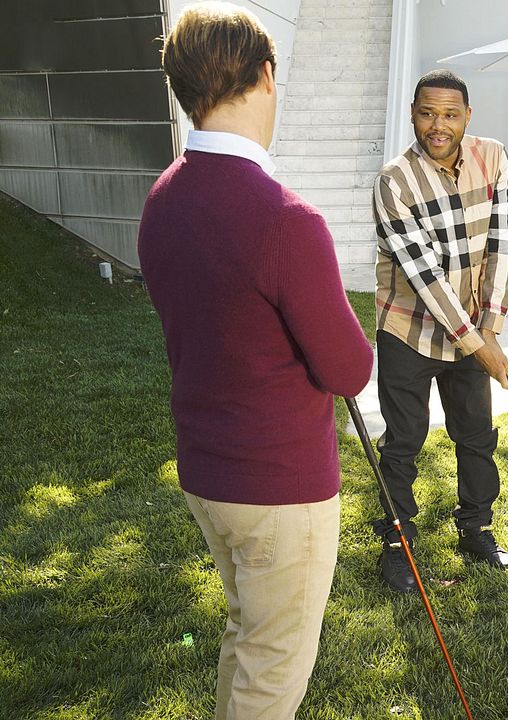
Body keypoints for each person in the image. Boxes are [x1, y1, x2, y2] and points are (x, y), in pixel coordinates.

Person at [137, 3, 374, 718]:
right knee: (272, 675)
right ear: (267, 74)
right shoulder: (285, 219)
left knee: (249, 638)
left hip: (207, 474)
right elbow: (349, 370)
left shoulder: (163, 198)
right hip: (279, 490)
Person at [371, 69, 508, 593]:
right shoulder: (394, 181)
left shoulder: (493, 157)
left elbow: (501, 241)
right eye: (428, 113)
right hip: (408, 330)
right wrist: (480, 345)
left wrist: (492, 326)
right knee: (403, 443)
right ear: (412, 114)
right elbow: (424, 276)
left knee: (476, 436)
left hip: (475, 329)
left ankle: (475, 529)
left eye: (450, 115)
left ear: (467, 117)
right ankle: (397, 545)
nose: (439, 125)